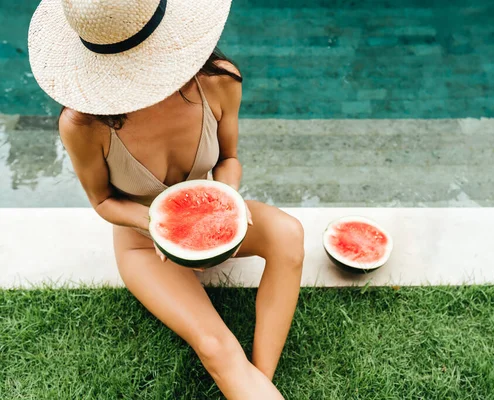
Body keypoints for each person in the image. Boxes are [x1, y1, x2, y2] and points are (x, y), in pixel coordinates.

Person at [28, 0, 304, 398]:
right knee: (215, 346)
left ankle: (259, 377)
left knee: (288, 234)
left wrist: (226, 200)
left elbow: (229, 159)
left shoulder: (220, 81)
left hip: (214, 217)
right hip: (143, 246)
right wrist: (156, 227)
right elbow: (103, 201)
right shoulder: (82, 124)